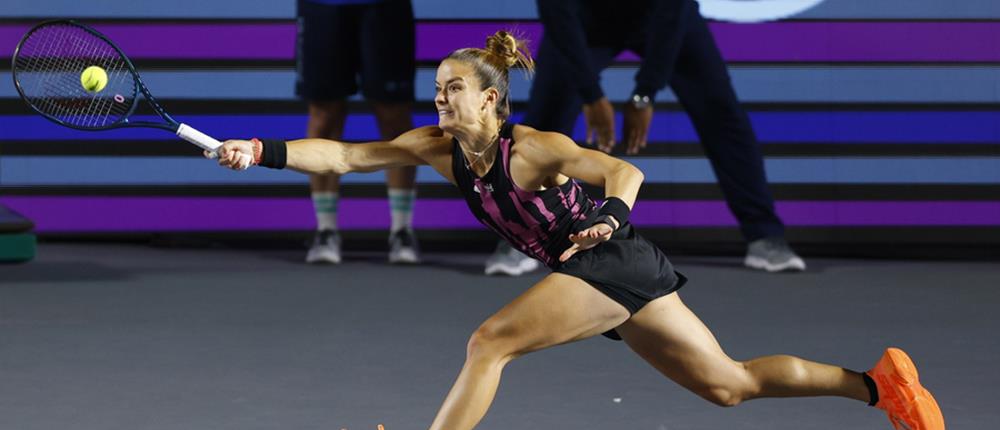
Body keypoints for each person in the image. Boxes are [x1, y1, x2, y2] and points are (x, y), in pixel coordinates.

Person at [212, 32, 944, 430]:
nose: (439, 100)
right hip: (612, 273)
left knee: (489, 343)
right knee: (730, 386)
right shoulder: (436, 149)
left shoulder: (533, 149)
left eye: (453, 89)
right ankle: (879, 386)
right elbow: (343, 155)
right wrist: (260, 149)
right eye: (436, 90)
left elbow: (625, 172)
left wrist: (607, 219)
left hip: (611, 258)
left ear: (490, 99)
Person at [486, 0, 805, 275]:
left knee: (722, 115)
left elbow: (672, 7)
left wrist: (645, 94)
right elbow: (557, 11)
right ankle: (518, 237)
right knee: (543, 126)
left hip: (662, 16)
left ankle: (764, 235)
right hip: (585, 19)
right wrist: (590, 94)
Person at [295, 0, 419, 264]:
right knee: (324, 114)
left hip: (384, 7)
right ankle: (326, 230)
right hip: (323, 6)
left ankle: (401, 230)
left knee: (393, 114)